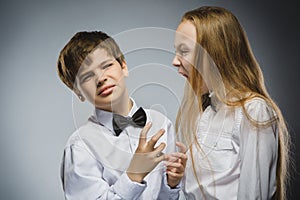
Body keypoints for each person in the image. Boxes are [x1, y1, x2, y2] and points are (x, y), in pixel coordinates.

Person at [172, 6, 291, 200]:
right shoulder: (207, 113)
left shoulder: (253, 110)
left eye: (184, 51)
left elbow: (255, 193)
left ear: (214, 54)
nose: (175, 61)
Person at [57, 31, 186, 199]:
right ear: (78, 92)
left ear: (124, 66)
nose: (101, 78)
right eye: (87, 76)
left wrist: (172, 184)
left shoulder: (161, 124)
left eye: (106, 66)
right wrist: (134, 174)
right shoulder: (81, 146)